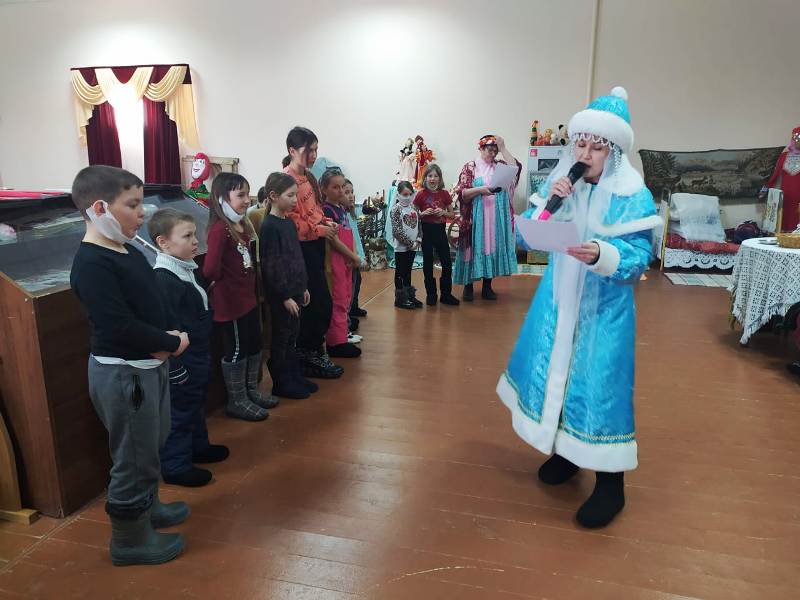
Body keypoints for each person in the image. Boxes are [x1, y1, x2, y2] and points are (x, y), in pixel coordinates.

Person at [497, 87, 662, 528]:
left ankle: (611, 484)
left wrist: (602, 254)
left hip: (603, 311)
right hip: (558, 303)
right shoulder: (563, 184)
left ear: (614, 152)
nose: (585, 154)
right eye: (581, 144)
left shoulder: (632, 195)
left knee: (599, 387)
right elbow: (528, 233)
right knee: (557, 376)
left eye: (596, 147)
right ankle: (566, 454)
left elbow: (638, 258)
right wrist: (550, 205)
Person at [69, 165, 189, 566]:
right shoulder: (92, 263)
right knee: (133, 457)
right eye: (133, 205)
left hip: (148, 363)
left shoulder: (125, 247)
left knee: (151, 442)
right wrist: (169, 342)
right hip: (124, 372)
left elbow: (146, 301)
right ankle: (129, 539)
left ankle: (148, 507)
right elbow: (116, 325)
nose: (142, 213)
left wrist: (164, 336)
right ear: (100, 208)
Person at [149, 208, 230, 488]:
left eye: (195, 234)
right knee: (180, 410)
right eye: (187, 236)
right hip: (182, 358)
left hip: (198, 351)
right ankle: (176, 465)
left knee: (195, 402)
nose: (196, 241)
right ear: (163, 243)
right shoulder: (164, 280)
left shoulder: (185, 267)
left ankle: (198, 447)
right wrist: (176, 367)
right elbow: (167, 327)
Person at [204, 172, 276, 422]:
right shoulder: (219, 230)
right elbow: (210, 269)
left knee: (254, 344)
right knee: (236, 349)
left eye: (247, 194)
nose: (247, 200)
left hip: (247, 299)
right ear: (222, 198)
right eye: (240, 195)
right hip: (230, 303)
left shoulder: (242, 225)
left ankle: (251, 391)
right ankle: (237, 399)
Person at [283, 126, 344, 379]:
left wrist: (326, 222)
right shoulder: (286, 180)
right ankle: (308, 355)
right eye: (309, 150)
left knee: (321, 301)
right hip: (301, 248)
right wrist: (319, 229)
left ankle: (314, 352)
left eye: (316, 150)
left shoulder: (308, 177)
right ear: (292, 151)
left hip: (315, 244)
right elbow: (291, 221)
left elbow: (314, 210)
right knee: (314, 303)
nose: (314, 155)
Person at [259, 172, 318, 399]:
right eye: (290, 195)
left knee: (293, 335)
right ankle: (281, 381)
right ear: (274, 196)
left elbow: (296, 258)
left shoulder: (288, 223)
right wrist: (285, 296)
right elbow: (272, 265)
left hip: (295, 290)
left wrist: (303, 287)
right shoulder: (270, 226)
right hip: (282, 295)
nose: (295, 200)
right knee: (282, 337)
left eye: (296, 195)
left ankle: (293, 375)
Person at [453, 135, 521, 301]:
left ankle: (487, 285)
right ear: (481, 149)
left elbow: (515, 168)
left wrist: (503, 147)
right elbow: (463, 193)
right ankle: (468, 286)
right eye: (490, 150)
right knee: (472, 249)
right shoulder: (471, 167)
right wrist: (482, 190)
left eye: (495, 151)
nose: (493, 153)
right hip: (475, 217)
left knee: (491, 246)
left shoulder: (500, 166)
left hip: (495, 218)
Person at [320, 168, 362, 358]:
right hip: (336, 260)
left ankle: (342, 335)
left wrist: (353, 256)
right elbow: (334, 241)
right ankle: (336, 342)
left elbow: (349, 235)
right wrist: (353, 257)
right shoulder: (327, 210)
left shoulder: (341, 209)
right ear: (324, 189)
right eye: (335, 187)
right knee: (337, 298)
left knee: (345, 297)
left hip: (346, 260)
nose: (340, 191)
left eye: (342, 187)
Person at [413, 164, 460, 306]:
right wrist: (422, 214)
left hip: (440, 231)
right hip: (426, 232)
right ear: (425, 178)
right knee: (427, 264)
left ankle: (446, 294)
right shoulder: (420, 194)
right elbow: (412, 215)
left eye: (435, 176)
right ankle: (431, 294)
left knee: (446, 263)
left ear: (440, 179)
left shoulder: (445, 194)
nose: (432, 179)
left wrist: (443, 212)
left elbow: (452, 215)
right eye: (430, 176)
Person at [390, 181, 423, 309]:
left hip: (413, 246)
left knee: (408, 271)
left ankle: (409, 295)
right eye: (404, 194)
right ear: (398, 194)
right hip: (401, 248)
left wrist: (418, 240)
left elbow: (419, 225)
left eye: (410, 194)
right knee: (400, 271)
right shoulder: (396, 210)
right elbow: (397, 231)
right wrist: (410, 243)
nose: (408, 197)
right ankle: (400, 298)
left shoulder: (414, 208)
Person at [344, 178, 368, 324]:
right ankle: (346, 316)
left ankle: (353, 307)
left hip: (356, 254)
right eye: (347, 192)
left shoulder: (350, 213)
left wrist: (361, 255)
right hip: (350, 256)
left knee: (357, 281)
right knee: (350, 285)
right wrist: (356, 256)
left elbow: (356, 238)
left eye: (352, 192)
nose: (351, 195)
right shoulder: (342, 215)